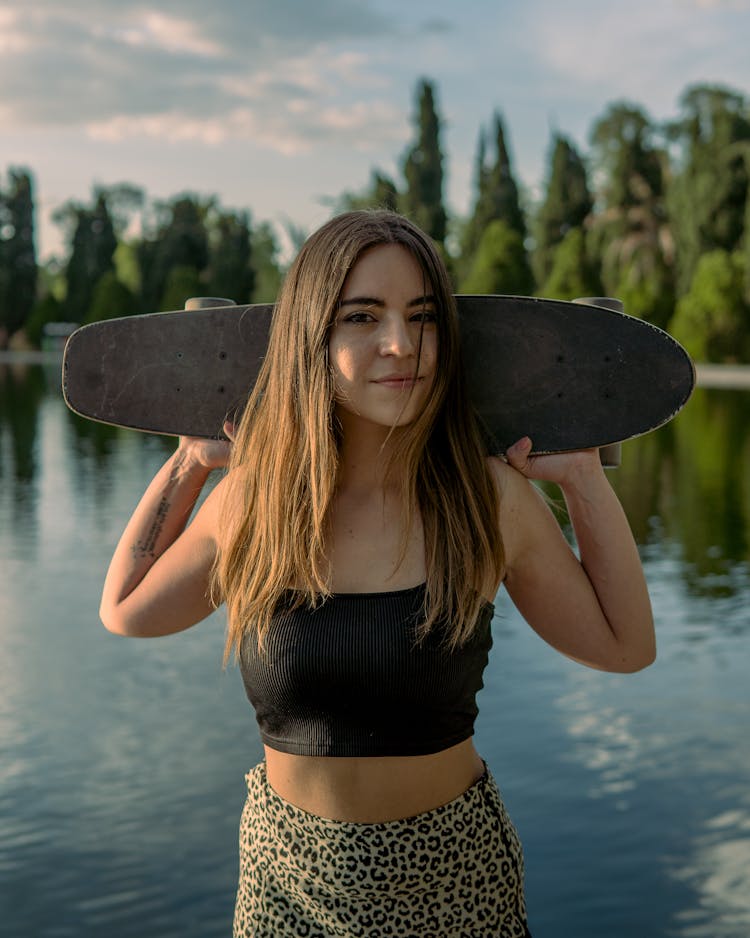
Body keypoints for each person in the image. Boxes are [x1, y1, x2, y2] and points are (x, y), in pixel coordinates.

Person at [99, 210, 655, 937]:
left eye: (422, 317)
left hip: (454, 882)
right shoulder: (258, 503)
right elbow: (127, 609)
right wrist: (190, 463)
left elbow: (624, 647)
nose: (402, 345)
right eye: (362, 316)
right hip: (285, 884)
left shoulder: (485, 498)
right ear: (313, 336)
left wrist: (584, 482)